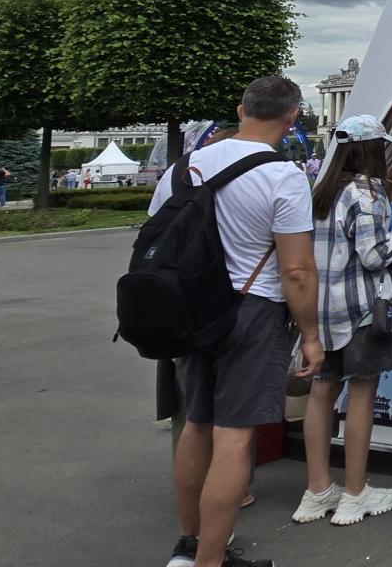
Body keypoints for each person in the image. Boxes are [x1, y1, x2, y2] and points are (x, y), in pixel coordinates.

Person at [153, 76, 323, 567]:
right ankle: (212, 560)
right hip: (252, 311)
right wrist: (310, 336)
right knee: (234, 435)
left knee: (196, 424)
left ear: (241, 109)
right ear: (292, 118)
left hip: (189, 310)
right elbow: (296, 270)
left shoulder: (182, 169)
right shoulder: (283, 176)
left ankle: (188, 546)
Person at [293, 114, 392, 527]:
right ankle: (355, 492)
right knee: (362, 393)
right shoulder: (367, 192)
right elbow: (374, 256)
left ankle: (317, 490)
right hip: (363, 310)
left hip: (323, 311)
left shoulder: (322, 190)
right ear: (372, 149)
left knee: (322, 391)